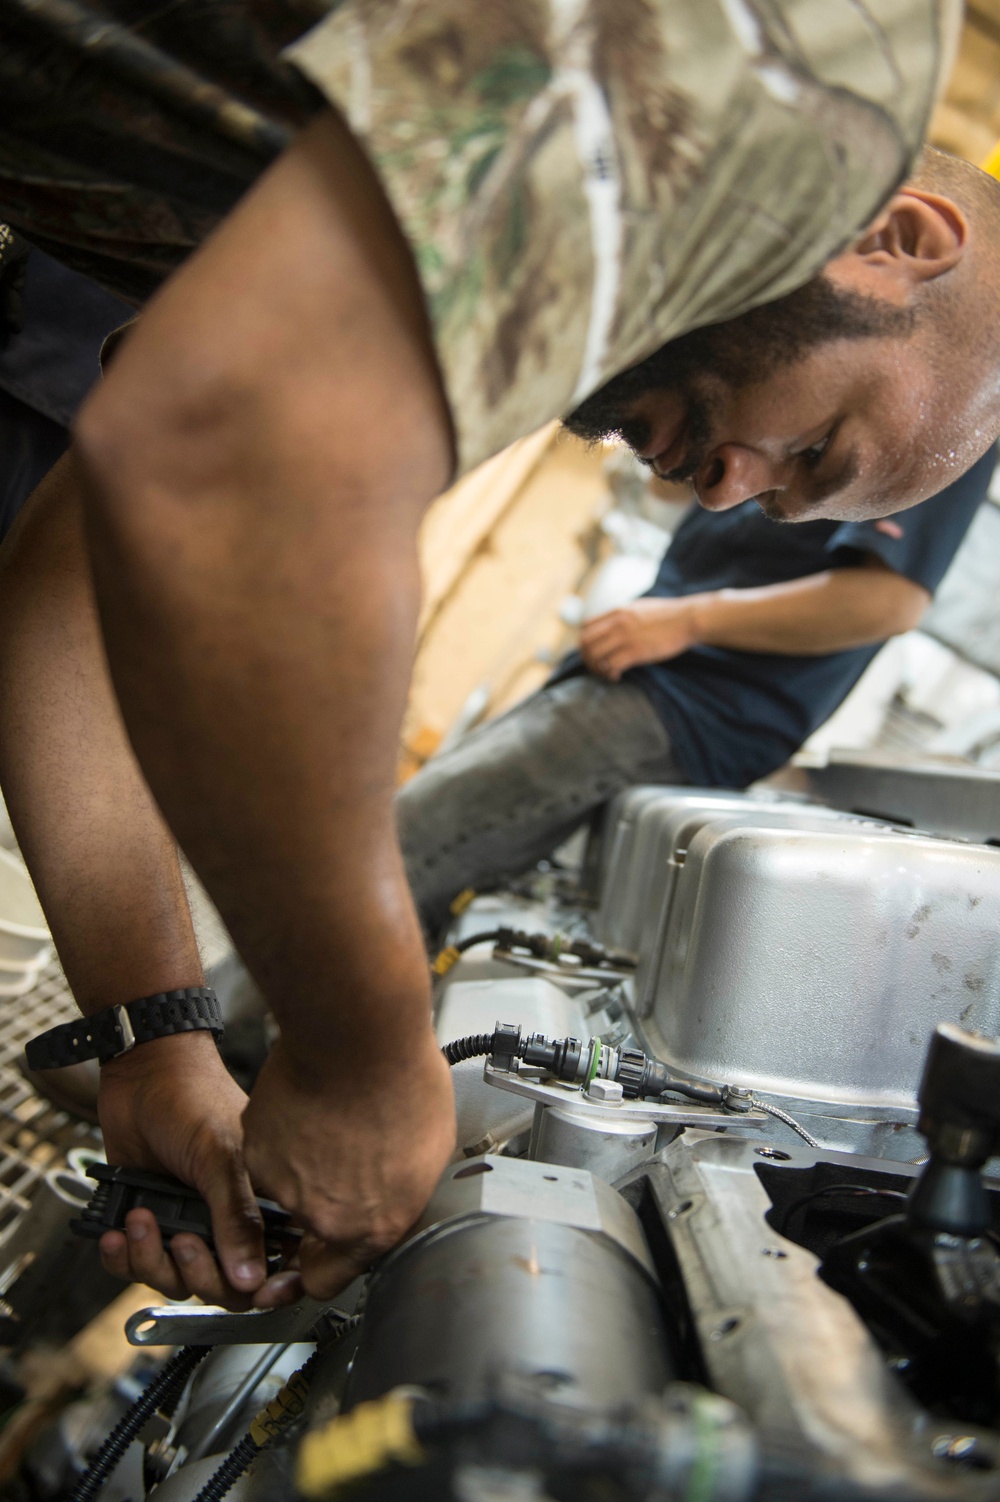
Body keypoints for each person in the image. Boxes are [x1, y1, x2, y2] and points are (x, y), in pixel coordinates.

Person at [0, 1, 978, 1309]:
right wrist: (363, 1051)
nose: (727, 495)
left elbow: (80, 568)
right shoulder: (815, 58)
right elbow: (223, 473)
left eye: (786, 498)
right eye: (813, 449)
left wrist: (153, 1037)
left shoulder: (494, 255)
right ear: (899, 241)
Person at [399, 447, 996, 934]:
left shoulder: (953, 422)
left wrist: (687, 620)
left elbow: (889, 601)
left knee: (398, 853)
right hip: (647, 685)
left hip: (692, 705)